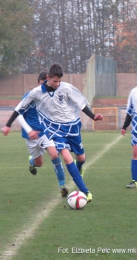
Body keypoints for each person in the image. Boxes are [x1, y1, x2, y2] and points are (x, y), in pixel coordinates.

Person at [9, 64, 103, 203]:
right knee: (61, 156)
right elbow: (18, 111)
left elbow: (81, 105)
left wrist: (93, 116)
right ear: (46, 79)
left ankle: (77, 169)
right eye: (54, 81)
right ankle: (83, 191)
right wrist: (21, 128)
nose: (56, 84)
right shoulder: (35, 94)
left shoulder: (65, 89)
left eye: (58, 81)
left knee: (81, 158)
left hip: (71, 129)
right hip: (52, 131)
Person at [2, 72, 68, 198]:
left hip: (45, 132)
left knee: (54, 154)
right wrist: (28, 130)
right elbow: (18, 113)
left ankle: (62, 186)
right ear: (39, 82)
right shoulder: (31, 95)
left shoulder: (50, 96)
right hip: (31, 136)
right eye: (43, 82)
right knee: (39, 163)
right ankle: (32, 162)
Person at [121, 86, 137, 188]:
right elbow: (130, 111)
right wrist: (124, 126)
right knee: (135, 153)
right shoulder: (134, 92)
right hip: (136, 127)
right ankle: (134, 181)